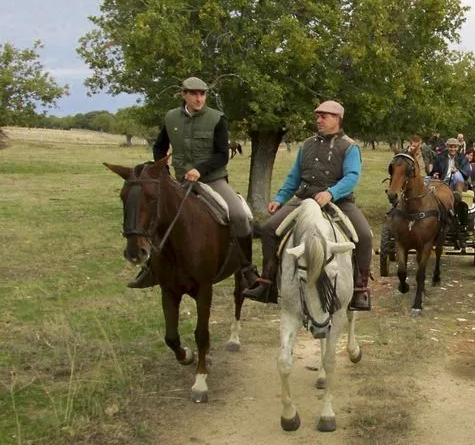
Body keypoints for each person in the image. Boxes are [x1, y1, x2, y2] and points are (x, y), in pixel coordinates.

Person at [128, 76, 258, 289]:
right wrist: (164, 170)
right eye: (194, 94)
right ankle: (151, 268)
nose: (199, 98)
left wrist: (200, 170)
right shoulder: (171, 118)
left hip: (212, 180)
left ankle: (247, 269)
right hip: (180, 180)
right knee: (156, 215)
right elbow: (160, 146)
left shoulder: (217, 119)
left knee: (239, 215)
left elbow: (222, 155)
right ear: (184, 95)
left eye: (202, 94)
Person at [243, 100, 373, 310]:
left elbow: (351, 177)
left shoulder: (350, 146)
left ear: (337, 119)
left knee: (365, 236)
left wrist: (331, 193)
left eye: (324, 116)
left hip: (338, 200)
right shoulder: (307, 144)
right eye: (317, 116)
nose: (319, 120)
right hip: (304, 197)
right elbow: (294, 176)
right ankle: (267, 283)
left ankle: (360, 289)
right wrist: (279, 198)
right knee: (268, 229)